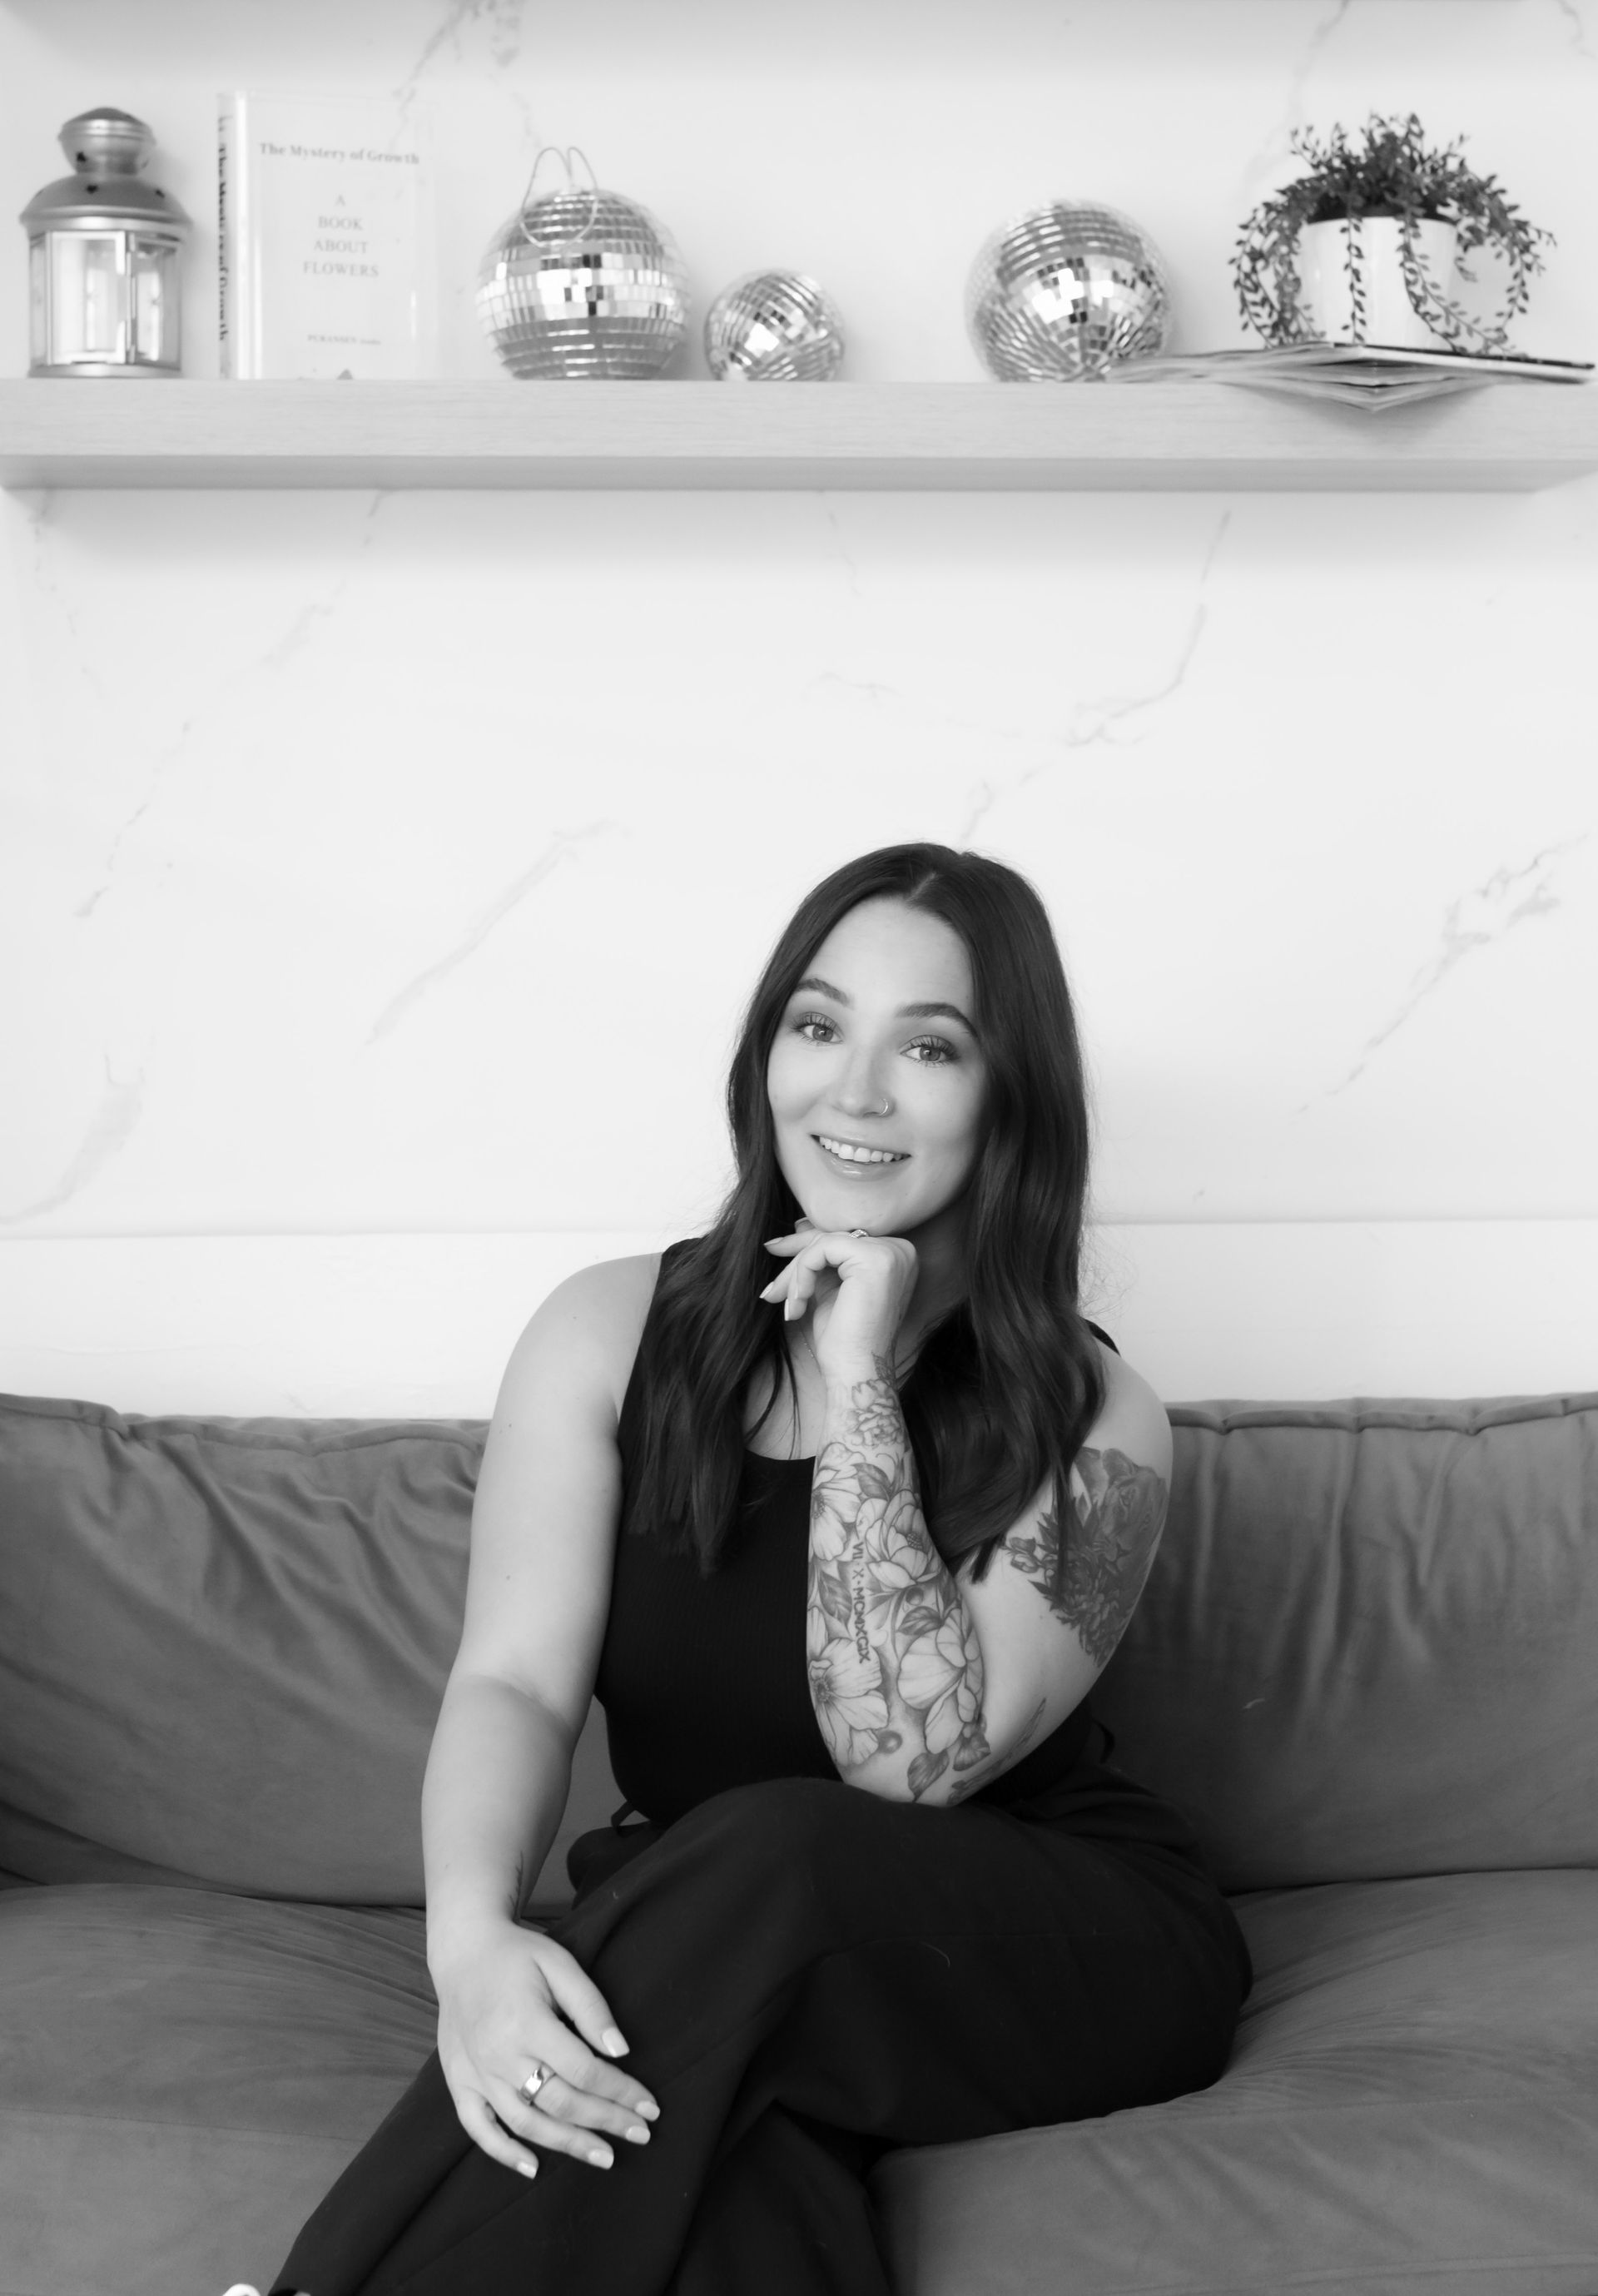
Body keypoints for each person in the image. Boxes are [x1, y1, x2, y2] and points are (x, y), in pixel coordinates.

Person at [253, 842, 1253, 2296]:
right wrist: (469, 1938)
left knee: (772, 1849)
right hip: (730, 1942)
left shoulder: (1100, 1422)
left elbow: (907, 1772)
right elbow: (518, 1682)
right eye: (816, 1023)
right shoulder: (605, 1334)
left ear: (1010, 1100)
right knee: (725, 2176)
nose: (853, 1091)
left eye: (929, 1046)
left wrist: (857, 1381)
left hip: (1053, 1939)